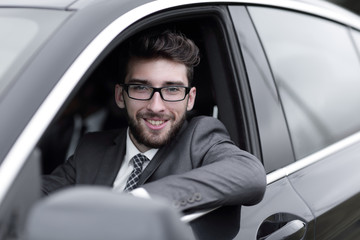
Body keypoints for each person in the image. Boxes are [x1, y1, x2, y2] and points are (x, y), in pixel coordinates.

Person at [42, 29, 266, 239]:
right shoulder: (91, 148)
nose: (156, 106)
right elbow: (35, 194)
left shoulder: (199, 138)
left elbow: (250, 174)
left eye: (172, 89)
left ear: (190, 99)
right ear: (121, 96)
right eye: (141, 88)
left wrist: (140, 201)